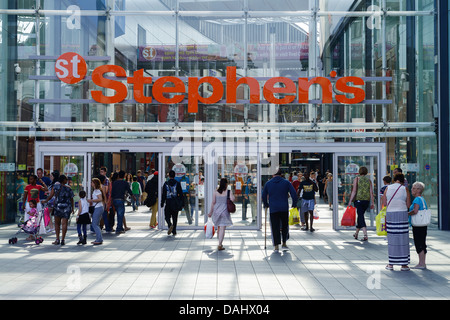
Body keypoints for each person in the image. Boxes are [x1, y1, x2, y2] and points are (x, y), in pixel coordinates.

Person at [262, 169, 298, 251]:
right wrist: (294, 203)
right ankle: (284, 242)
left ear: (272, 175)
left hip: (273, 208)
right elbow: (294, 194)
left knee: (275, 226)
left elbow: (264, 196)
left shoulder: (268, 183)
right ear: (281, 174)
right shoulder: (286, 182)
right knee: (285, 225)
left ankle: (276, 245)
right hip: (284, 208)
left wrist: (266, 204)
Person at [382, 173, 411, 271]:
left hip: (391, 214)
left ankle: (391, 264)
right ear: (402, 180)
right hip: (402, 214)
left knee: (392, 238)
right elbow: (408, 205)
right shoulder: (405, 189)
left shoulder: (387, 188)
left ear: (394, 180)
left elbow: (384, 203)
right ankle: (404, 265)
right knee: (403, 237)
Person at [42, 175, 74, 246]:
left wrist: (46, 201)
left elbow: (51, 196)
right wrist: (72, 208)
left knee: (57, 223)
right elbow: (72, 198)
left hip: (58, 206)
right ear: (64, 180)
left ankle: (57, 239)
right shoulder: (69, 188)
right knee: (64, 223)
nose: (67, 180)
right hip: (67, 207)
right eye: (66, 179)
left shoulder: (55, 187)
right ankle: (63, 239)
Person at [348, 166, 375, 241]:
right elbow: (371, 192)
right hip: (366, 201)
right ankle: (356, 234)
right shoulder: (369, 180)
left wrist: (350, 201)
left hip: (358, 200)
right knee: (360, 216)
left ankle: (365, 234)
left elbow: (354, 191)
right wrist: (372, 202)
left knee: (361, 216)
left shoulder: (357, 179)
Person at [208, 178, 235, 251]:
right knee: (222, 228)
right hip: (224, 211)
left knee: (219, 227)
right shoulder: (228, 192)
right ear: (226, 184)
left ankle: (219, 241)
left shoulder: (215, 191)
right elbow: (232, 199)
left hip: (216, 211)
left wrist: (210, 212)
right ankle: (220, 244)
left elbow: (213, 202)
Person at [409, 181, 428, 269]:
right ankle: (423, 263)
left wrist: (407, 214)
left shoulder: (417, 199)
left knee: (419, 242)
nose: (411, 190)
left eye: (413, 188)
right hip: (423, 224)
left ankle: (421, 263)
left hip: (418, 225)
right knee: (422, 242)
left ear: (418, 190)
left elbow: (415, 211)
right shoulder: (422, 199)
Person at [111, 170, 135, 234]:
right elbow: (129, 191)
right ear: (124, 176)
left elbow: (112, 192)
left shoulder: (115, 183)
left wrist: (111, 200)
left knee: (118, 214)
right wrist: (133, 197)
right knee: (120, 215)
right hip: (120, 200)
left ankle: (119, 227)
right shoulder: (125, 183)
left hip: (114, 200)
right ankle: (119, 228)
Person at [161, 170, 183, 236]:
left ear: (169, 176)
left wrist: (162, 202)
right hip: (175, 203)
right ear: (174, 176)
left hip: (168, 202)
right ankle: (174, 231)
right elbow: (181, 194)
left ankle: (170, 225)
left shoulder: (166, 184)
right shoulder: (177, 183)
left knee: (167, 216)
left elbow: (164, 194)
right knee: (175, 217)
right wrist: (182, 203)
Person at [88, 178, 105, 245]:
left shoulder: (97, 191)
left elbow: (100, 199)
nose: (91, 184)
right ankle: (99, 238)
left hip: (98, 208)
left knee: (94, 224)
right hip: (98, 207)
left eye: (92, 182)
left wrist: (92, 200)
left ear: (95, 183)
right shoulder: (96, 190)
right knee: (96, 224)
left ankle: (99, 239)